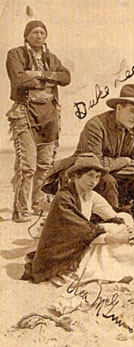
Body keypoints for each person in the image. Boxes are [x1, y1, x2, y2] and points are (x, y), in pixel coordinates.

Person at [22, 153, 134, 285]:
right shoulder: (64, 198)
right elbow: (79, 233)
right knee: (108, 248)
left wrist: (131, 228)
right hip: (62, 255)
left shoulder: (90, 194)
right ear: (76, 176)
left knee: (123, 220)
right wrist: (112, 236)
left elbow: (113, 216)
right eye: (90, 175)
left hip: (81, 243)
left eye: (97, 177)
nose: (94, 181)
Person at [73, 84, 134, 245]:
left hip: (116, 179)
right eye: (132, 111)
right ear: (119, 108)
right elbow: (93, 165)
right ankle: (115, 234)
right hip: (91, 181)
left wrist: (111, 168)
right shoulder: (96, 125)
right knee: (107, 180)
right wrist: (124, 161)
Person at [6, 20, 71, 222]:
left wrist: (40, 74)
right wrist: (49, 79)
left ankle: (38, 205)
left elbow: (66, 77)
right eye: (35, 32)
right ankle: (21, 209)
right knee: (27, 165)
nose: (39, 35)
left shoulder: (50, 58)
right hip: (25, 112)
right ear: (27, 35)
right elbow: (18, 79)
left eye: (43, 32)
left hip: (49, 115)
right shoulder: (15, 54)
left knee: (45, 164)